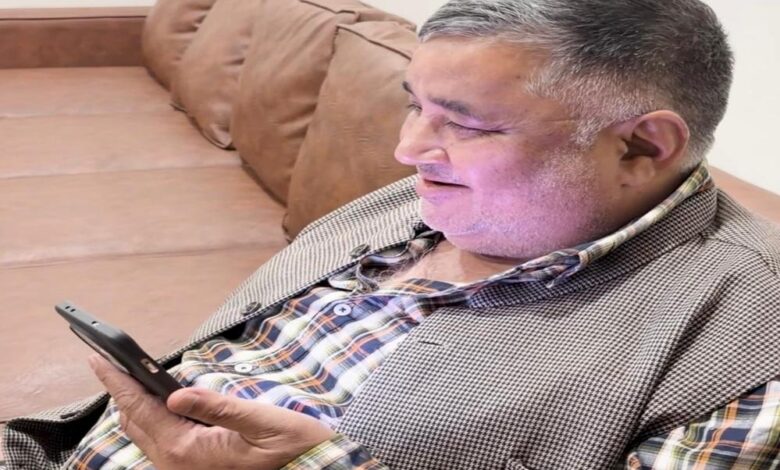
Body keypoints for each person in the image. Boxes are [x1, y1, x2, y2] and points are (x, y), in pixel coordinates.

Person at [5, 0, 780, 468]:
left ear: (642, 145)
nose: (409, 150)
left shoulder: (745, 339)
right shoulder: (422, 200)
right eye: (415, 103)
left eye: (465, 124)